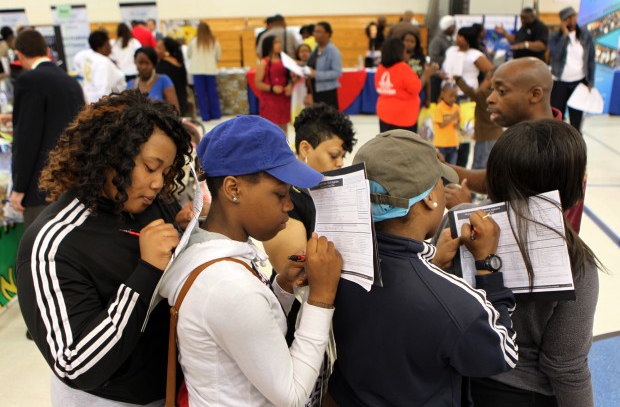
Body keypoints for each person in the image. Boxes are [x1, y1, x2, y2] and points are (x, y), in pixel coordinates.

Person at [15, 89, 193, 406]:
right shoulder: (53, 243)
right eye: (150, 168)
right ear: (112, 155)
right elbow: (75, 362)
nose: (157, 183)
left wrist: (184, 233)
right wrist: (146, 272)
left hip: (167, 388)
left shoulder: (152, 203)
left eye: (165, 172)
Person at [158, 115, 343, 406]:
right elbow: (292, 395)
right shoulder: (230, 287)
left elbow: (247, 331)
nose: (289, 205)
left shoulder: (209, 249)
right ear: (233, 189)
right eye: (280, 193)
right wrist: (321, 298)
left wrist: (281, 287)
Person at [326, 129, 518, 407]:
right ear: (430, 199)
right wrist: (487, 265)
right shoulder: (457, 305)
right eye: (440, 182)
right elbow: (504, 352)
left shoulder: (335, 264)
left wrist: (431, 264)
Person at [461, 120, 599, 407]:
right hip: (524, 393)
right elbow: (566, 365)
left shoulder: (461, 224)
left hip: (455, 380)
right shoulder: (576, 262)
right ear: (573, 187)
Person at [262, 103, 356, 406]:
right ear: (305, 147)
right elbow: (293, 263)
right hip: (297, 330)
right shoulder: (290, 196)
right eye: (334, 154)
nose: (340, 163)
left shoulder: (321, 195)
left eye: (343, 156)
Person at [446, 57, 586, 234]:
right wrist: (443, 168)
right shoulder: (528, 139)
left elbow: (522, 233)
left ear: (535, 95)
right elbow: (497, 179)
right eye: (492, 89)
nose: (490, 98)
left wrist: (465, 209)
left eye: (502, 91)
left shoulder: (550, 150)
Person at [8, 29, 84, 229]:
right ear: (46, 50)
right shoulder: (71, 82)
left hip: (40, 187)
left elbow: (27, 138)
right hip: (71, 183)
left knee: (36, 252)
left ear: (19, 55)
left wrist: (19, 187)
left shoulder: (29, 80)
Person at [549, 6, 595, 132]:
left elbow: (591, 59)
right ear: (562, 21)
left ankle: (576, 148)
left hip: (579, 82)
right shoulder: (555, 36)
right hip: (559, 82)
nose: (571, 20)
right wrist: (565, 36)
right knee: (557, 119)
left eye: (572, 16)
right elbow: (555, 55)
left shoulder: (585, 35)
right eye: (567, 18)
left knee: (576, 121)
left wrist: (591, 81)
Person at [454, 71, 502, 170]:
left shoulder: (485, 95)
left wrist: (458, 79)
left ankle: (473, 186)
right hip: (497, 135)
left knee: (478, 165)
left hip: (484, 136)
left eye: (486, 79)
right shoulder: (502, 95)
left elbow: (469, 92)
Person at [375, 38, 425, 133]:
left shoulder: (381, 68)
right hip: (403, 117)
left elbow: (378, 87)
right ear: (398, 53)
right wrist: (426, 75)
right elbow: (416, 88)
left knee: (387, 144)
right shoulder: (403, 68)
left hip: (384, 113)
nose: (408, 54)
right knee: (404, 146)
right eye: (405, 51)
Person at [74, 30, 126, 104]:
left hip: (89, 98)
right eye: (108, 44)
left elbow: (76, 60)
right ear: (100, 47)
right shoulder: (103, 63)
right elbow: (104, 92)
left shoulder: (88, 55)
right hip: (104, 103)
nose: (110, 47)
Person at [254, 35, 292, 134]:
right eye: (276, 43)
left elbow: (292, 76)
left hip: (283, 98)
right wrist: (271, 88)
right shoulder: (264, 62)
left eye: (279, 42)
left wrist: (290, 85)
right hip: (270, 100)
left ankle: (284, 146)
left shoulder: (285, 60)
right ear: (269, 45)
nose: (279, 45)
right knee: (270, 126)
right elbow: (257, 82)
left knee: (284, 125)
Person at [128, 46, 179, 112]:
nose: (143, 67)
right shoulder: (130, 85)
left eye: (147, 63)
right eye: (140, 63)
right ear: (135, 62)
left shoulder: (164, 80)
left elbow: (175, 110)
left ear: (154, 64)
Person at [188, 22, 221, 121]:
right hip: (210, 71)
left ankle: (205, 116)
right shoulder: (215, 42)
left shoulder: (193, 42)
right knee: (212, 93)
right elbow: (218, 57)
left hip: (197, 71)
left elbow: (189, 55)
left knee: (201, 94)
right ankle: (216, 114)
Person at [307, 22, 342, 110]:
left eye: (319, 32)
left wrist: (317, 74)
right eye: (314, 32)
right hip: (315, 89)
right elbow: (312, 65)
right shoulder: (316, 49)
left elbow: (337, 72)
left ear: (327, 34)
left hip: (327, 91)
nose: (315, 34)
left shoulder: (333, 51)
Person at [156, 37, 189, 116]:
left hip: (170, 102)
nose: (157, 50)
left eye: (159, 48)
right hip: (182, 98)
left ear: (166, 49)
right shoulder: (179, 62)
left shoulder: (163, 64)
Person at [402, 30, 433, 107]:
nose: (409, 44)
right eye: (407, 41)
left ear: (416, 44)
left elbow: (427, 77)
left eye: (412, 42)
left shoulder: (421, 57)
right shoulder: (399, 56)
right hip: (403, 91)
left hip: (418, 88)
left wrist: (428, 98)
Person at [429, 15, 456, 102]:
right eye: (453, 27)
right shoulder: (437, 41)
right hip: (438, 76)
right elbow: (434, 57)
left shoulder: (450, 40)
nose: (455, 29)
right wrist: (448, 60)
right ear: (447, 27)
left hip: (447, 75)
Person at [433, 83, 460, 164]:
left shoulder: (456, 107)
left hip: (453, 143)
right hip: (441, 145)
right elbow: (441, 125)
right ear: (442, 94)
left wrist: (457, 125)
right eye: (451, 96)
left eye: (455, 96)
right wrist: (453, 117)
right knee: (442, 168)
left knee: (452, 169)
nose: (453, 99)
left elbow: (458, 124)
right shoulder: (439, 108)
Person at [291, 43, 312, 120]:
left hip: (309, 91)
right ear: (298, 54)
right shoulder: (294, 66)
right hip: (298, 91)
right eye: (302, 51)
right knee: (298, 111)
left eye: (306, 51)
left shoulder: (313, 65)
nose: (304, 53)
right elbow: (292, 80)